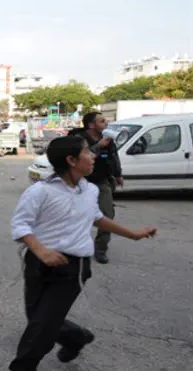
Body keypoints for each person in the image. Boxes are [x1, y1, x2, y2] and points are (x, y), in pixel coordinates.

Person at [8, 135, 156, 371]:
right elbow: (21, 225)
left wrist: (133, 234)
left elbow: (96, 218)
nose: (93, 156)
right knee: (37, 317)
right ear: (71, 160)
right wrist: (41, 251)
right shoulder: (40, 191)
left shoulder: (89, 190)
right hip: (38, 263)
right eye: (88, 152)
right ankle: (75, 337)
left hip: (72, 268)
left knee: (42, 327)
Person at [68, 112, 123, 264]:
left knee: (107, 214)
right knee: (75, 215)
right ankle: (71, 246)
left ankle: (100, 249)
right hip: (80, 182)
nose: (106, 123)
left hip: (101, 181)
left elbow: (114, 156)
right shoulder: (79, 139)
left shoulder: (108, 139)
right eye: (102, 121)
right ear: (91, 125)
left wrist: (118, 174)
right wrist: (98, 147)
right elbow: (77, 157)